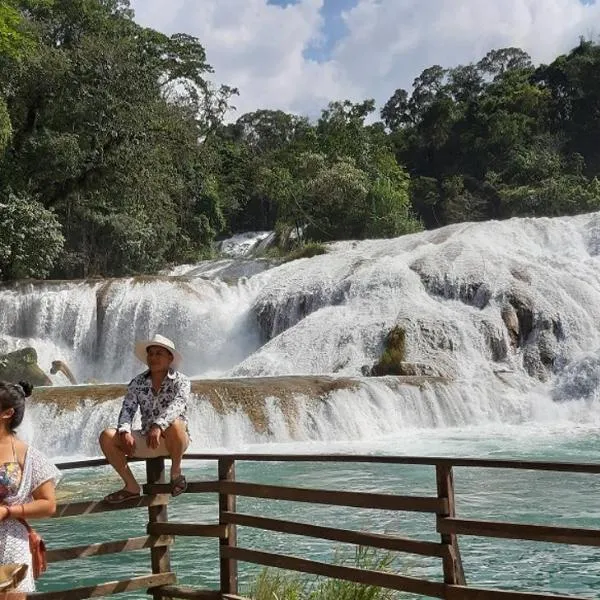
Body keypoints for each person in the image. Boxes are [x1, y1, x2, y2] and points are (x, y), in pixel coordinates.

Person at [99, 334, 190, 503]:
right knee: (107, 436)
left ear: (170, 358)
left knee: (176, 424)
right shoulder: (137, 382)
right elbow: (127, 409)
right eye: (151, 354)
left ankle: (176, 474)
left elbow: (177, 406)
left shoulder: (182, 381)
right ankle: (131, 487)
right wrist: (125, 431)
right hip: (148, 439)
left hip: (174, 442)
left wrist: (158, 426)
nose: (153, 357)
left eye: (159, 354)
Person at [0, 380, 61, 593]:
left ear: (7, 414)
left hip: (9, 540)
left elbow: (49, 504)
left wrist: (7, 511)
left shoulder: (28, 455)